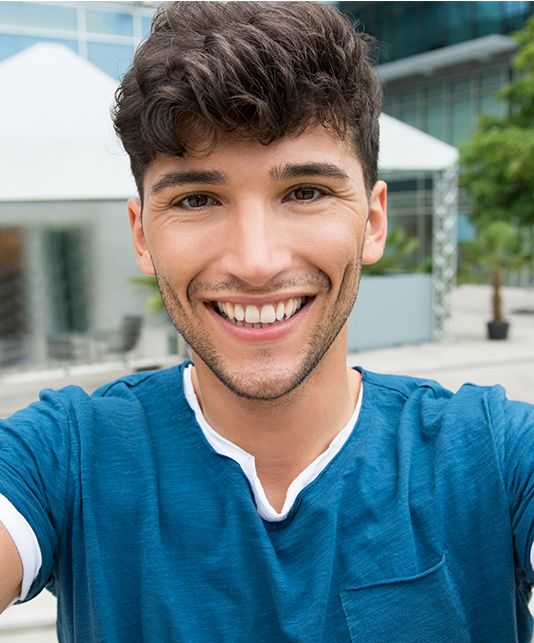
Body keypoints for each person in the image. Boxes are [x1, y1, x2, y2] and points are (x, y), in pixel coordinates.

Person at [0, 1, 533, 641]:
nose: (255, 263)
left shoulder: (494, 456)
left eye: (305, 192)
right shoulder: (65, 457)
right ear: (143, 236)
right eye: (198, 199)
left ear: (372, 220)